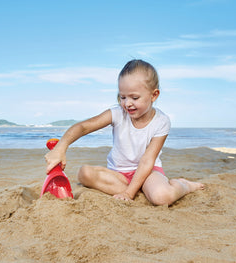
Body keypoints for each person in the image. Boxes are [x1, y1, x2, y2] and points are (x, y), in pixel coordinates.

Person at [45, 59, 204, 205]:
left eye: (134, 98)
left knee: (162, 197)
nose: (127, 104)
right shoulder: (117, 113)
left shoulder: (161, 121)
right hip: (119, 175)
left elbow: (147, 160)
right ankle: (141, 190)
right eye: (122, 97)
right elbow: (83, 127)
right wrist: (61, 147)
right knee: (84, 173)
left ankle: (184, 185)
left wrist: (128, 193)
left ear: (154, 95)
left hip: (149, 173)